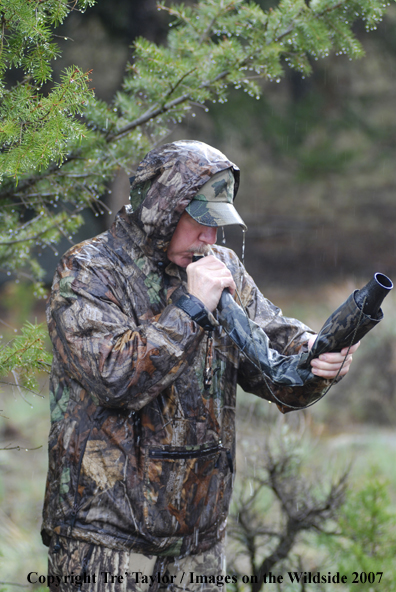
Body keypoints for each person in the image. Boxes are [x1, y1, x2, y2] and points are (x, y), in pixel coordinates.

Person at [42, 140, 357, 591]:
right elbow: (117, 379)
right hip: (104, 540)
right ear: (161, 209)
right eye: (201, 222)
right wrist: (190, 308)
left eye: (219, 225)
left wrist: (316, 356)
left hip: (198, 544)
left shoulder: (219, 266)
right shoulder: (89, 270)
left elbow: (272, 361)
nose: (211, 238)